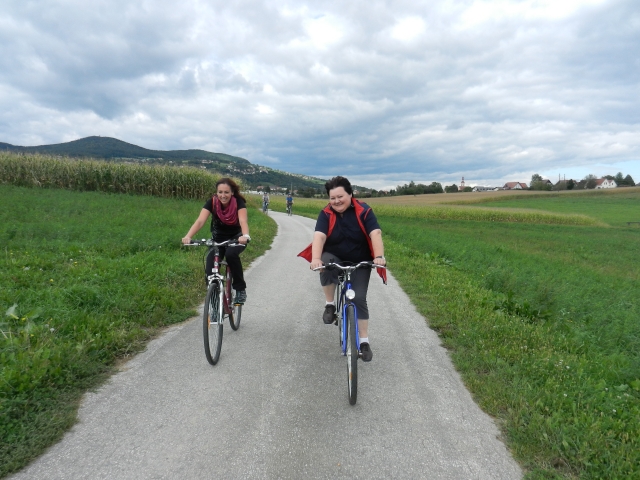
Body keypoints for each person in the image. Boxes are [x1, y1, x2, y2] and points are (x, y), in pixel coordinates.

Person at [298, 176, 386, 362]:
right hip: (335, 255)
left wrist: (378, 256)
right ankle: (330, 305)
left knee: (359, 298)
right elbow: (319, 236)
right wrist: (315, 259)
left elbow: (375, 233)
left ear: (350, 194)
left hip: (360, 259)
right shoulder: (326, 214)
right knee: (326, 264)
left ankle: (364, 342)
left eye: (340, 197)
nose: (336, 201)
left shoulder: (364, 211)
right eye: (332, 198)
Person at [182, 178, 250, 304]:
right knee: (210, 269)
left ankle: (240, 289)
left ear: (232, 192)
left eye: (226, 192)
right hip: (218, 239)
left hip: (236, 239)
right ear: (216, 192)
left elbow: (243, 221)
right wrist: (188, 236)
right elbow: (200, 221)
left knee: (231, 255)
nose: (223, 195)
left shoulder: (238, 203)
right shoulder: (212, 202)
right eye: (220, 192)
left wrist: (245, 236)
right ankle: (214, 301)